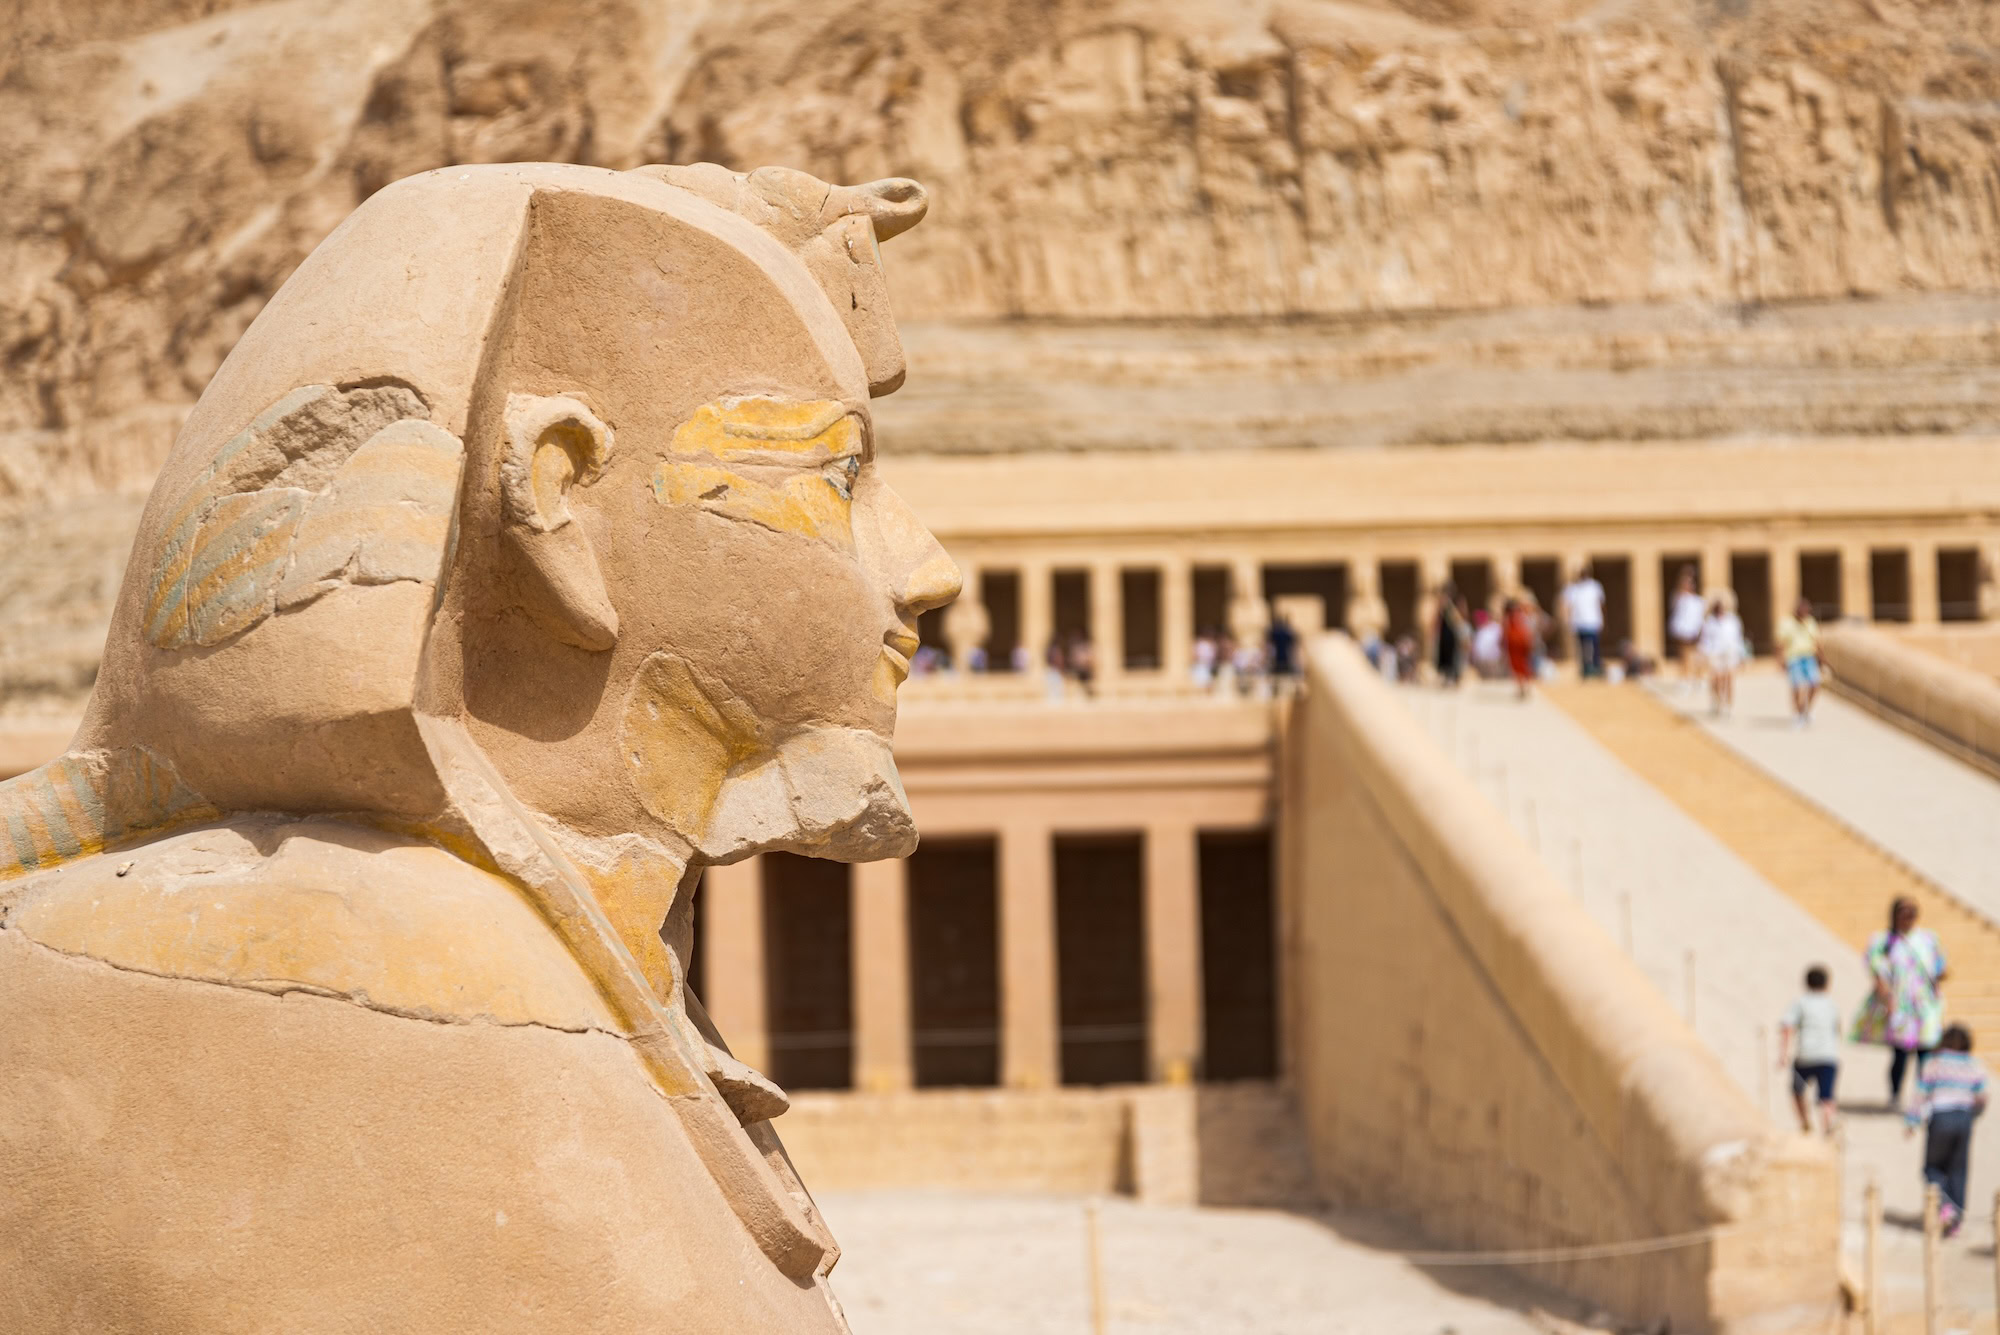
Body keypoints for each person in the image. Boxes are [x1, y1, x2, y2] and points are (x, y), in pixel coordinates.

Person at [1854, 897, 1948, 1109]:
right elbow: (1877, 972)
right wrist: (1888, 1001)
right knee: (1901, 1054)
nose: (1908, 916)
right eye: (1904, 912)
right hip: (1900, 1005)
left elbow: (1940, 967)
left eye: (1912, 911)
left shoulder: (1928, 939)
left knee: (1926, 1054)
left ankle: (1923, 1097)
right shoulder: (1883, 941)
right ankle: (1895, 1094)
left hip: (1925, 1005)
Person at [1907, 1024, 1987, 1236]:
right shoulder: (1973, 1064)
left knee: (1932, 1166)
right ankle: (1956, 1219)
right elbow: (1982, 1097)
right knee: (1958, 1169)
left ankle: (1944, 1206)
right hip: (1964, 1118)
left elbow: (1920, 1094)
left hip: (1940, 1117)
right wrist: (1974, 1114)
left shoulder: (1933, 1063)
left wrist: (1912, 1122)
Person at [1778, 965, 1842, 1135]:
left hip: (1805, 1057)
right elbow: (1837, 1029)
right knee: (1827, 1098)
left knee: (1797, 1091)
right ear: (1827, 984)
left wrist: (1783, 1055)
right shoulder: (1831, 1005)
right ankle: (1827, 1130)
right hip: (1828, 1057)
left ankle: (1806, 1124)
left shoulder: (1800, 1002)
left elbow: (1787, 1027)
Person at [1698, 590, 1747, 717]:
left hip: (1730, 652)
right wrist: (1704, 655)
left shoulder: (1733, 620)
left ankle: (1729, 705)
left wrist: (1742, 656)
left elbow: (1738, 638)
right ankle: (1718, 701)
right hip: (1715, 652)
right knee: (1717, 679)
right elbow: (1705, 640)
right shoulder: (1709, 621)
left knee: (1729, 679)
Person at [1776, 597, 1824, 726]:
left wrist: (1821, 659)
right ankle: (1797, 713)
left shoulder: (1810, 622)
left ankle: (1807, 709)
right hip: (1794, 658)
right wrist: (1780, 660)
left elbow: (1817, 642)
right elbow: (1781, 643)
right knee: (1797, 687)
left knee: (1815, 684)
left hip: (1809, 657)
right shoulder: (1787, 623)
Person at [1561, 561, 1607, 679]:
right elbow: (1567, 606)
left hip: (1593, 621)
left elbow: (1601, 604)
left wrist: (1603, 619)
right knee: (1582, 646)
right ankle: (1585, 668)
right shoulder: (1573, 589)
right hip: (1579, 622)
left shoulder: (1595, 586)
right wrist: (1567, 621)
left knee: (1594, 645)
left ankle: (1595, 667)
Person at [1669, 565, 1706, 688]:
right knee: (1684, 656)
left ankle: (1698, 678)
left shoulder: (1698, 600)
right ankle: (1685, 679)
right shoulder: (1679, 598)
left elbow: (1700, 617)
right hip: (1683, 631)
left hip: (1694, 631)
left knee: (1696, 656)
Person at [1432, 582, 1468, 687]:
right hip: (1445, 634)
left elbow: (1462, 615)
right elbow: (1438, 618)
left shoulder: (1457, 601)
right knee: (1445, 656)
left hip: (1454, 633)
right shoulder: (1442, 602)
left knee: (1455, 656)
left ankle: (1455, 678)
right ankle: (1448, 678)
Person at [1502, 597, 1537, 699]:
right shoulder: (1521, 614)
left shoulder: (1510, 616)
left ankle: (1522, 687)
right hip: (1521, 642)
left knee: (1518, 666)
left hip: (1514, 643)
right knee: (1523, 665)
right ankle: (1525, 686)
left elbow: (1505, 630)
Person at [1470, 608, 1505, 680]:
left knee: (1493, 680)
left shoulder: (1495, 627)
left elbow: (1501, 642)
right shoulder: (1479, 630)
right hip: (1481, 661)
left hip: (1493, 660)